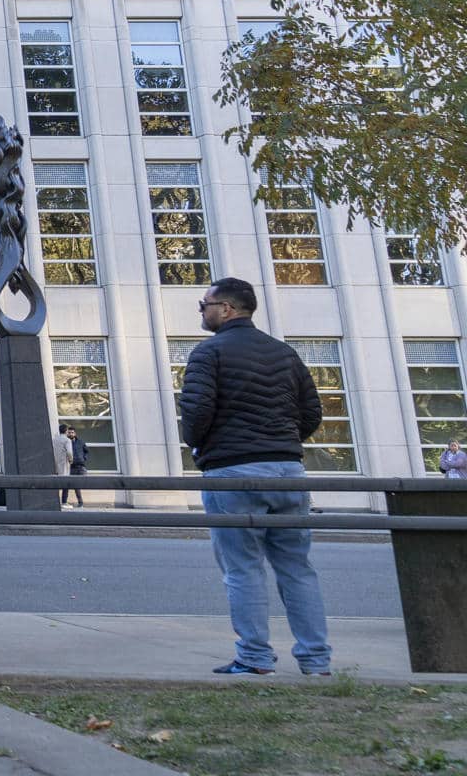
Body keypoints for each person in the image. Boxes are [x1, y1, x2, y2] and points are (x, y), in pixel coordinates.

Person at [178, 276, 331, 677]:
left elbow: (195, 414)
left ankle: (255, 657)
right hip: (288, 472)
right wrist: (280, 443)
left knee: (242, 568)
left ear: (225, 309)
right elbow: (312, 412)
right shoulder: (284, 353)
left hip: (233, 472)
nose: (202, 311)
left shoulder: (207, 353)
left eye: (204, 304)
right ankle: (316, 661)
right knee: (297, 568)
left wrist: (202, 446)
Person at [53, 422, 76, 507]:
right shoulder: (67, 440)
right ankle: (64, 502)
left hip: (55, 463)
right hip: (64, 464)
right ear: (66, 431)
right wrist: (71, 460)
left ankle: (55, 501)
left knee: (55, 483)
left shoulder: (54, 439)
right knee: (66, 483)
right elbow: (69, 452)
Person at [67, 426, 89, 507]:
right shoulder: (66, 442)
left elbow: (86, 451)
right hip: (72, 467)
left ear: (75, 433)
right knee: (76, 487)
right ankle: (81, 503)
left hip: (81, 466)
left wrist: (84, 458)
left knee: (87, 481)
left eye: (72, 432)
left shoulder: (80, 442)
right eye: (69, 432)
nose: (71, 434)